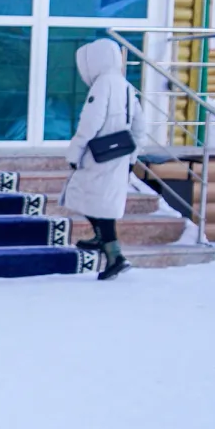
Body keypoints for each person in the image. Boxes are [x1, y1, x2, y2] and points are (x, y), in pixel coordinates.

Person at [61, 38, 140, 281]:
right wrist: (132, 157)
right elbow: (140, 123)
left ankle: (115, 256)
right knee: (100, 201)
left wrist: (74, 152)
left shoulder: (103, 84)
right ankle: (101, 239)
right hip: (119, 155)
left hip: (98, 155)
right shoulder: (126, 85)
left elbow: (90, 122)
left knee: (88, 197)